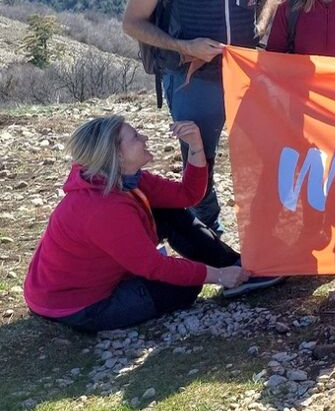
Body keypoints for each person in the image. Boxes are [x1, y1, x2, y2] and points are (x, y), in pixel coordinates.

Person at [121, 0, 276, 232]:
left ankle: (264, 231)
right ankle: (210, 235)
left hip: (245, 75)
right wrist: (183, 45)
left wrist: (259, 27)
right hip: (192, 79)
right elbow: (132, 22)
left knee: (264, 153)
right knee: (198, 158)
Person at [23, 117, 279, 334]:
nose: (144, 138)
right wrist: (216, 276)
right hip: (75, 304)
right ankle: (230, 273)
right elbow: (154, 267)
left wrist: (196, 147)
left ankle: (236, 267)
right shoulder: (103, 208)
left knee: (169, 213)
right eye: (135, 137)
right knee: (184, 287)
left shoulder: (125, 179)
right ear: (117, 155)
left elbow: (187, 195)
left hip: (81, 280)